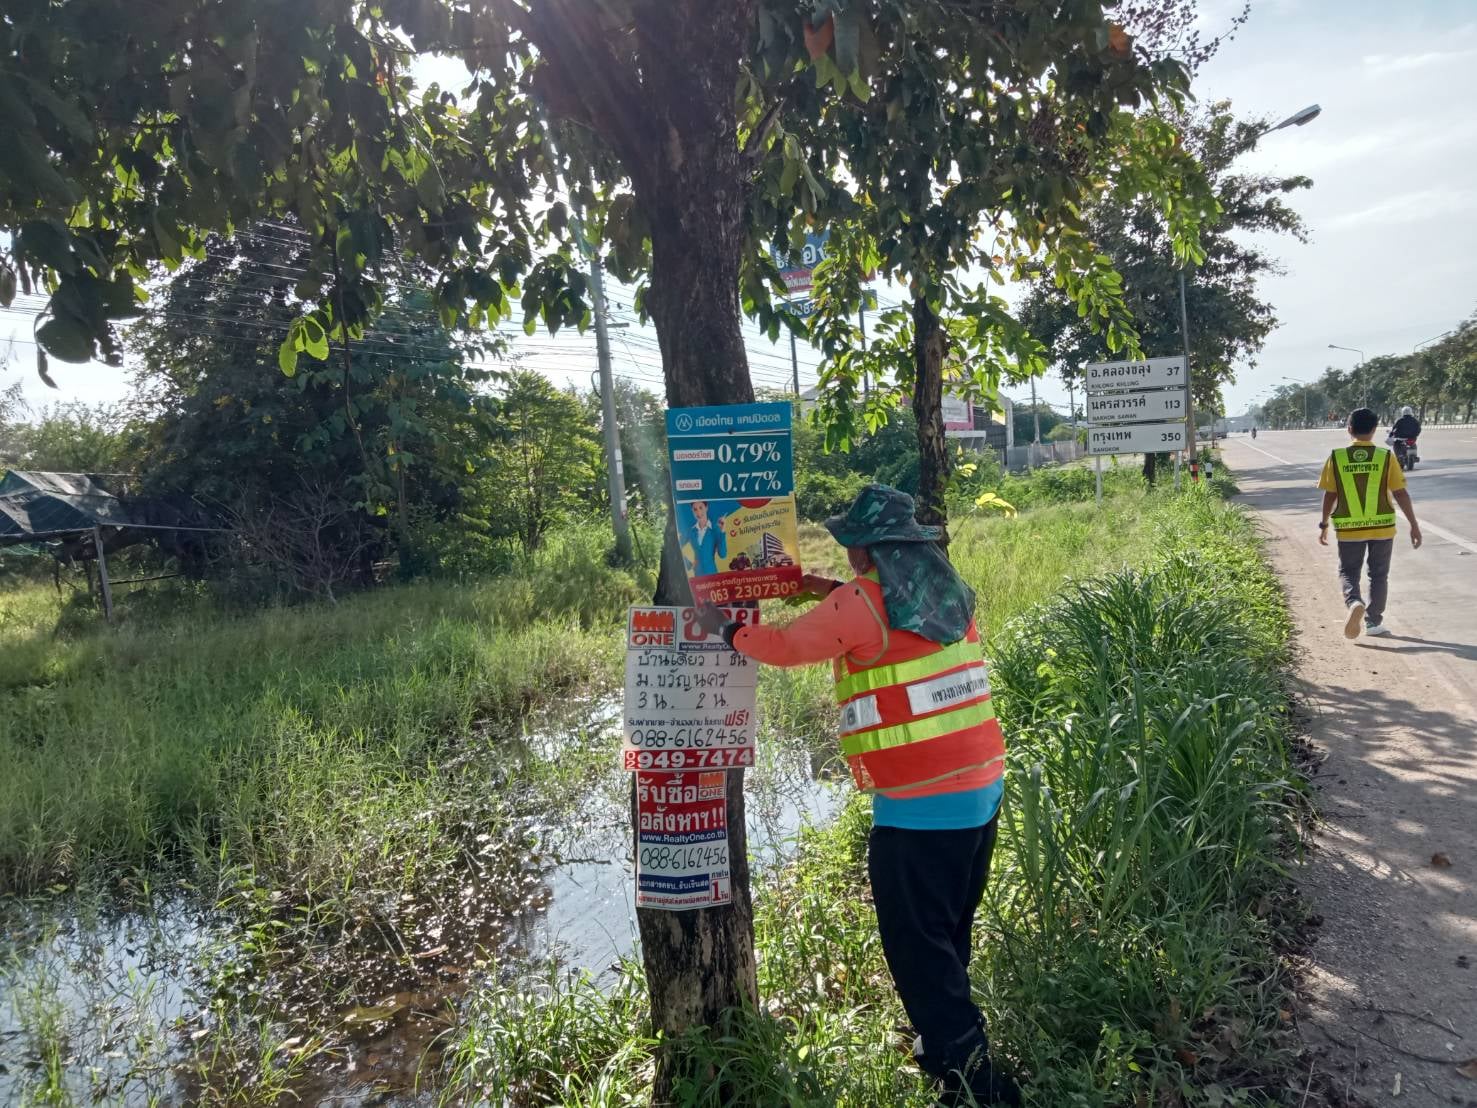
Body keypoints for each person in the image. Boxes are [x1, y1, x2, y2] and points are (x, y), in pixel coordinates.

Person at [695, 484, 1021, 1107]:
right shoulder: (947, 592)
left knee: (918, 950)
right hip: (981, 790)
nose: (849, 556)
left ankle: (977, 1083)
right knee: (946, 932)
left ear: (867, 550)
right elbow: (879, 611)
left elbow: (786, 647)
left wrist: (728, 628)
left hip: (919, 811)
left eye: (853, 546)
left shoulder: (859, 604)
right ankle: (945, 1046)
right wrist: (818, 588)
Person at [1318, 407, 1422, 638]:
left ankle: (1354, 602)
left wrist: (1323, 524)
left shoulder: (1337, 457)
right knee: (1379, 574)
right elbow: (1400, 493)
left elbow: (1330, 495)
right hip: (1382, 527)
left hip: (1349, 528)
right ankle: (1373, 622)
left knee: (1348, 571)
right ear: (1374, 430)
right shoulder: (1385, 456)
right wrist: (1414, 525)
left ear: (1349, 429)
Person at [682, 499, 727, 577]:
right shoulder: (691, 531)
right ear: (692, 511)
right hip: (697, 577)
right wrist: (689, 564)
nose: (698, 512)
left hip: (712, 575)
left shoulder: (715, 529)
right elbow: (676, 546)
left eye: (701, 507)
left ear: (706, 508)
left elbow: (723, 555)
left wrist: (722, 531)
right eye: (695, 509)